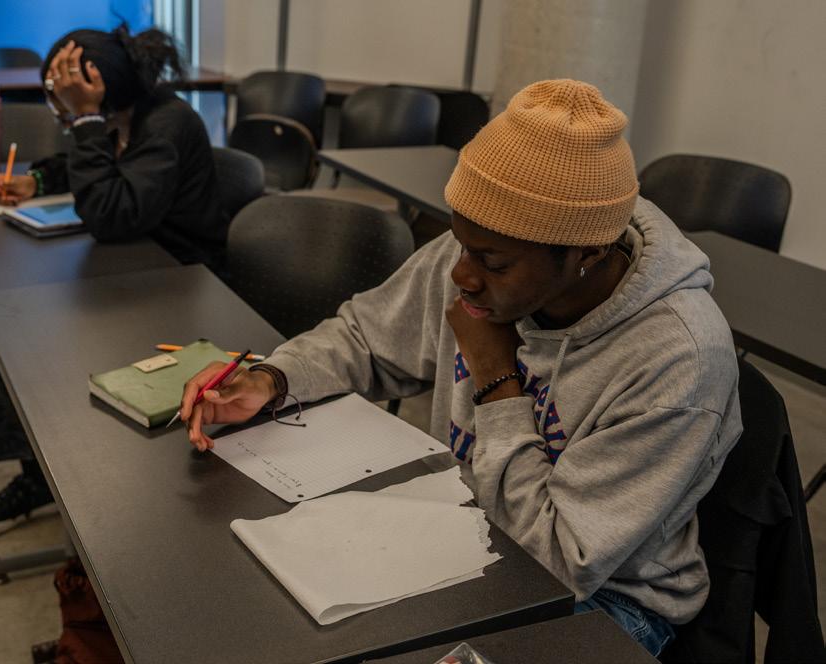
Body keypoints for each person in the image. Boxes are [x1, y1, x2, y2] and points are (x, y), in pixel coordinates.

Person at [178, 79, 742, 657]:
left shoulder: (678, 360)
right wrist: (274, 378)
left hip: (604, 601)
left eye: (492, 262)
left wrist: (496, 378)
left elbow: (557, 564)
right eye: (461, 244)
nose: (461, 276)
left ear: (587, 254)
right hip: (466, 525)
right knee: (265, 612)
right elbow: (366, 334)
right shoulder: (482, 253)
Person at [0, 25, 224, 538]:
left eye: (63, 93)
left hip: (171, 280)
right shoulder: (123, 116)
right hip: (127, 263)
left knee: (2, 314)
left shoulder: (168, 123)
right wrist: (38, 180)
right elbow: (90, 167)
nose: (58, 105)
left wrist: (84, 118)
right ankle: (33, 470)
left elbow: (112, 214)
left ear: (95, 85)